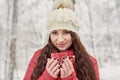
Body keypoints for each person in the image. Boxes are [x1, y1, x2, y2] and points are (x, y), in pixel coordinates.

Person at [23, 0, 100, 80]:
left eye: (66, 32)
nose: (60, 40)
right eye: (55, 33)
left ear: (73, 34)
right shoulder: (38, 57)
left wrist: (70, 78)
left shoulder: (90, 61)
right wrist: (47, 77)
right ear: (50, 35)